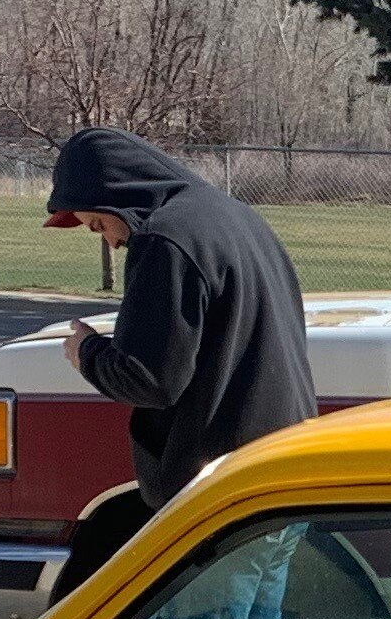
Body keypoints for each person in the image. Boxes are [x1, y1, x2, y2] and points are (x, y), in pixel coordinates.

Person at [41, 127, 318, 504]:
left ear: (116, 195)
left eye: (99, 225)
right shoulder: (236, 216)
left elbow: (149, 378)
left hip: (223, 488)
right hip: (279, 463)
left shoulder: (165, 239)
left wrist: (86, 353)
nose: (111, 241)